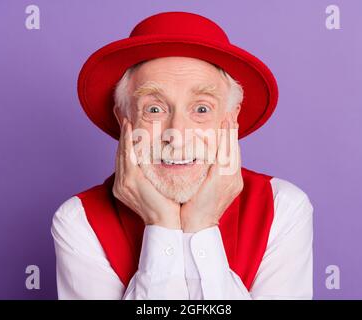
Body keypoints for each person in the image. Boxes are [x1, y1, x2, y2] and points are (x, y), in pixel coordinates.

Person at [51, 11, 314, 299]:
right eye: (154, 109)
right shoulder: (79, 221)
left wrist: (201, 224)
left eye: (201, 109)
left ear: (229, 120)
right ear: (123, 119)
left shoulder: (283, 208)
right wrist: (161, 223)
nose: (176, 135)